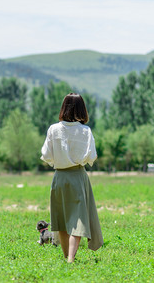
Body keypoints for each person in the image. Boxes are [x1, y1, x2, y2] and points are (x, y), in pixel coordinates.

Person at [40, 93, 103, 263]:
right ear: (82, 109)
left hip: (59, 177)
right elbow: (92, 156)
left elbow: (45, 155)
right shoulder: (85, 131)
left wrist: (60, 159)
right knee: (78, 219)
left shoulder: (53, 129)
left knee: (60, 219)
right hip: (78, 176)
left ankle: (67, 256)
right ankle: (70, 258)